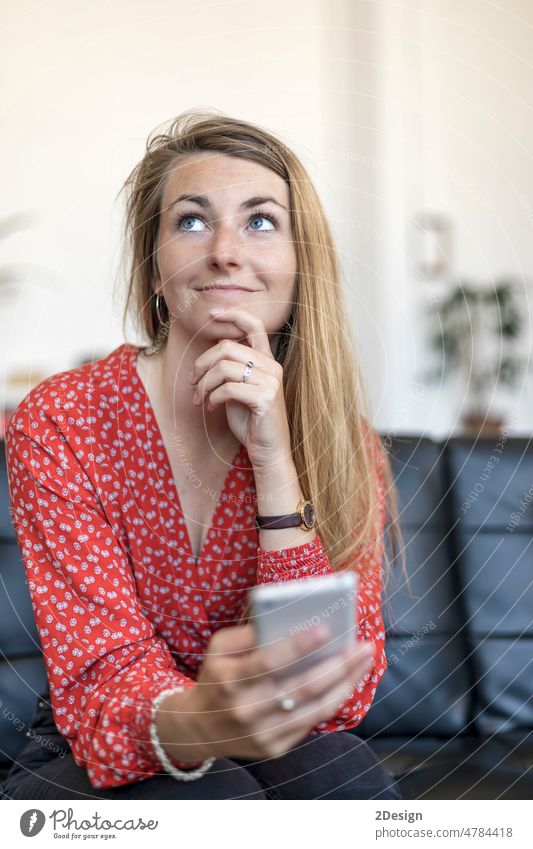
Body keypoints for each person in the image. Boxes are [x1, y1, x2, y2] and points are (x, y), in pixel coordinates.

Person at [1, 109, 403, 800]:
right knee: (218, 794)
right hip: (95, 741)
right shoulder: (62, 417)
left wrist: (276, 463)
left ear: (298, 263)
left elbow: (332, 696)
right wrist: (209, 720)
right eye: (190, 220)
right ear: (153, 264)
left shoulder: (340, 437)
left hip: (282, 743)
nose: (224, 250)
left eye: (260, 221)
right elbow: (103, 684)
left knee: (341, 774)